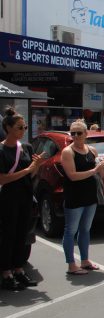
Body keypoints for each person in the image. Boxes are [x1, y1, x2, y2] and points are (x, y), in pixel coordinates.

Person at [0, 108, 45, 291]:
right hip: (7, 198)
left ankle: (19, 269)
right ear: (8, 128)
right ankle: (6, 273)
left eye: (25, 127)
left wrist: (36, 166)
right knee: (7, 236)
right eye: (20, 127)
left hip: (25, 196)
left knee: (22, 235)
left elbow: (31, 174)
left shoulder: (26, 147)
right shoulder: (1, 150)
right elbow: (2, 178)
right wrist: (27, 170)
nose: (23, 130)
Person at [61, 119, 104, 275]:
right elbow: (72, 176)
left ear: (86, 134)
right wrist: (95, 170)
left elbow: (100, 175)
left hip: (90, 196)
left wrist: (103, 167)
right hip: (74, 197)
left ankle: (85, 260)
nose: (75, 136)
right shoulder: (68, 152)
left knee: (85, 229)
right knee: (71, 230)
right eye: (72, 133)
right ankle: (71, 264)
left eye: (79, 133)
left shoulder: (92, 150)